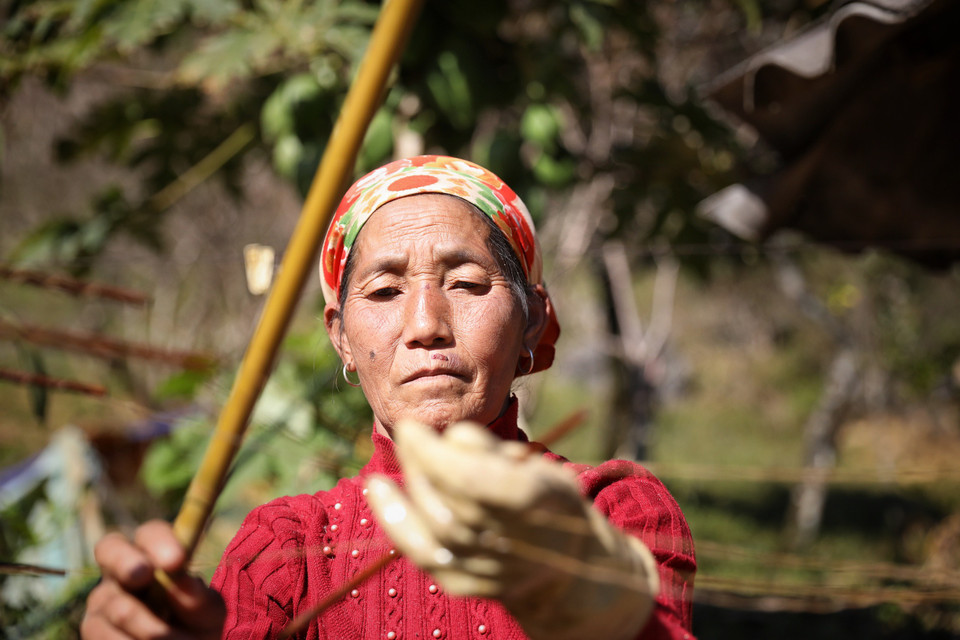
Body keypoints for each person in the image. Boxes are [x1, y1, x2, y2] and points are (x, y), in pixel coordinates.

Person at [81, 155, 697, 640]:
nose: (426, 322)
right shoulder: (285, 547)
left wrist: (605, 618)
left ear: (532, 319)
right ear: (341, 338)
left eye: (466, 282)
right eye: (383, 292)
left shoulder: (614, 511)